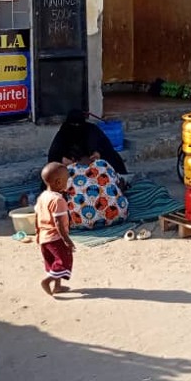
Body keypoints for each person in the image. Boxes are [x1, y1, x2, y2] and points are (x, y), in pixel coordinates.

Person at [35, 162, 74, 296]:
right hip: (56, 238)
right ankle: (47, 281)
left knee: (53, 262)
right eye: (67, 180)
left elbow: (37, 216)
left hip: (44, 238)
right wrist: (67, 240)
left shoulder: (43, 196)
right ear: (58, 182)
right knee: (63, 261)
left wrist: (37, 234)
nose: (68, 182)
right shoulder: (58, 200)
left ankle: (57, 286)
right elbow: (58, 223)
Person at [48, 110, 128, 175]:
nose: (76, 127)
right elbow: (54, 155)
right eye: (73, 124)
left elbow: (103, 147)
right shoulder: (63, 133)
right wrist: (63, 159)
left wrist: (96, 153)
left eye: (78, 124)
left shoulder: (91, 130)